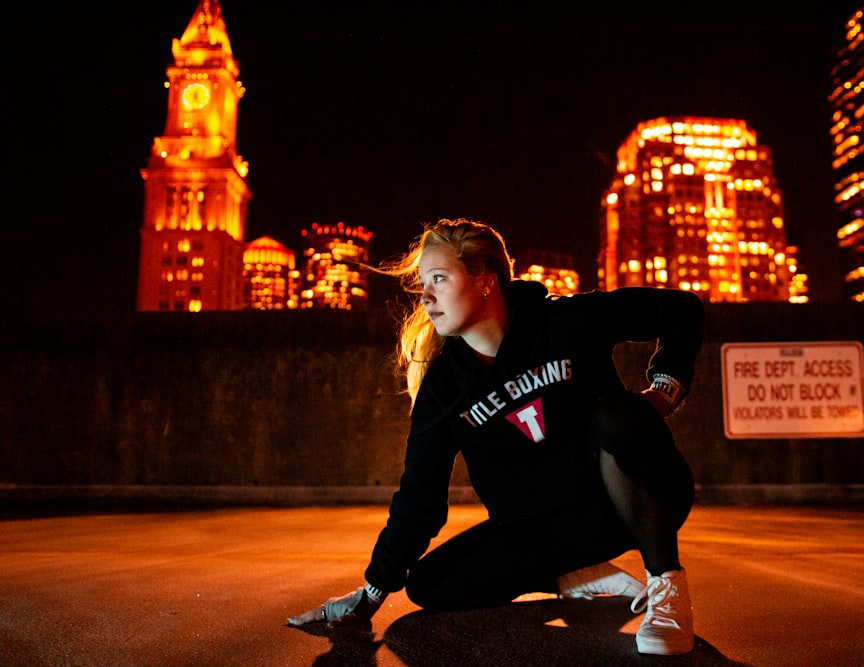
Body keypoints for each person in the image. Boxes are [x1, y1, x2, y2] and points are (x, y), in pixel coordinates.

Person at [288, 218, 704, 656]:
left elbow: (682, 310)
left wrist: (666, 389)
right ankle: (576, 573)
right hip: (546, 530)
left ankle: (668, 585)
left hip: (634, 505)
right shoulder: (444, 387)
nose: (425, 296)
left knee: (619, 413)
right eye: (423, 283)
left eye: (439, 279)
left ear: (485, 281)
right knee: (432, 583)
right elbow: (419, 499)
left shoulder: (563, 320)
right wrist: (369, 596)